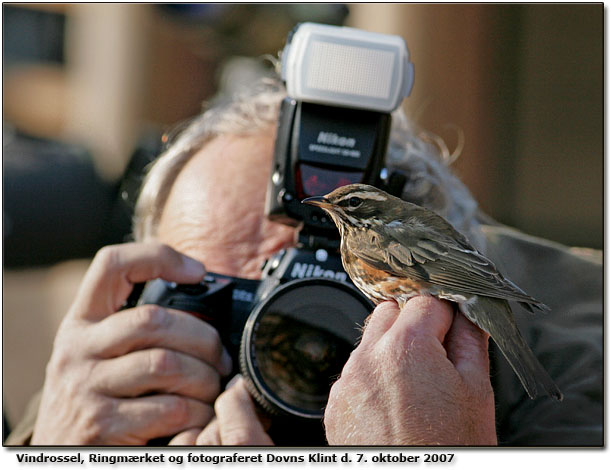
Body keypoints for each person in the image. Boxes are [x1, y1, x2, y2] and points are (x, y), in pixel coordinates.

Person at [6, 77, 602, 446]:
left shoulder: (582, 376)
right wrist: (55, 449)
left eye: (326, 301)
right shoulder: (115, 417)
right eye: (232, 298)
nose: (298, 345)